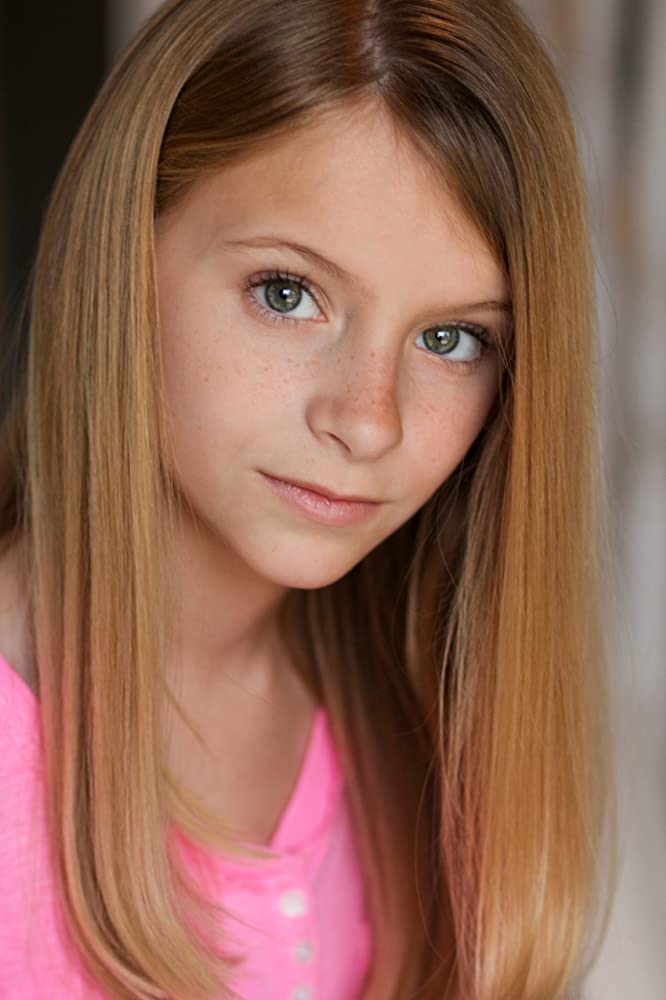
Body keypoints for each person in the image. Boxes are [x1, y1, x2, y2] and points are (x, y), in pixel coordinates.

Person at [0, 0, 617, 997]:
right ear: (122, 255)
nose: (368, 422)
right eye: (286, 293)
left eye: (451, 339)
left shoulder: (414, 728)